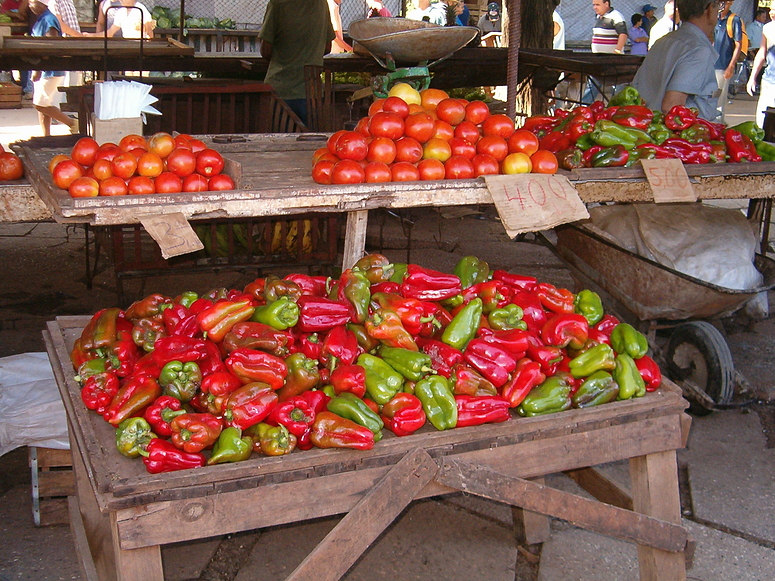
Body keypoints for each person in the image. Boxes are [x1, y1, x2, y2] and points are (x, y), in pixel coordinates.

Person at [632, 0, 719, 120]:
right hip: (677, 135)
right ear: (709, 10)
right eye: (719, 6)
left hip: (648, 127)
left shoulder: (663, 42)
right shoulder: (698, 50)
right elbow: (672, 107)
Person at [259, 0, 334, 126]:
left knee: (276, 142)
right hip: (311, 93)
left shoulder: (278, 3)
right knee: (310, 142)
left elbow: (265, 50)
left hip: (280, 90)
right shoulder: (321, 4)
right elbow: (327, 47)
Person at [28, 0, 76, 135]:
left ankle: (71, 122)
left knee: (39, 104)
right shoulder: (42, 19)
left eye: (32, 2)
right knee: (44, 104)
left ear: (42, 3)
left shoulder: (49, 19)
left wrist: (38, 69)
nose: (30, 5)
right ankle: (46, 136)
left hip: (49, 70)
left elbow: (49, 46)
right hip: (45, 69)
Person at [713, 0, 744, 123]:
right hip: (709, 64)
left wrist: (731, 66)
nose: (721, 5)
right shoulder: (713, 18)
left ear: (730, 3)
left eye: (724, 2)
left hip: (723, 65)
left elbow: (738, 44)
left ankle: (718, 123)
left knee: (719, 98)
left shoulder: (733, 20)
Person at [746, 5, 775, 127]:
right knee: (763, 121)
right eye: (772, 10)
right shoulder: (768, 28)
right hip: (770, 79)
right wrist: (752, 78)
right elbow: (761, 53)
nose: (772, 13)